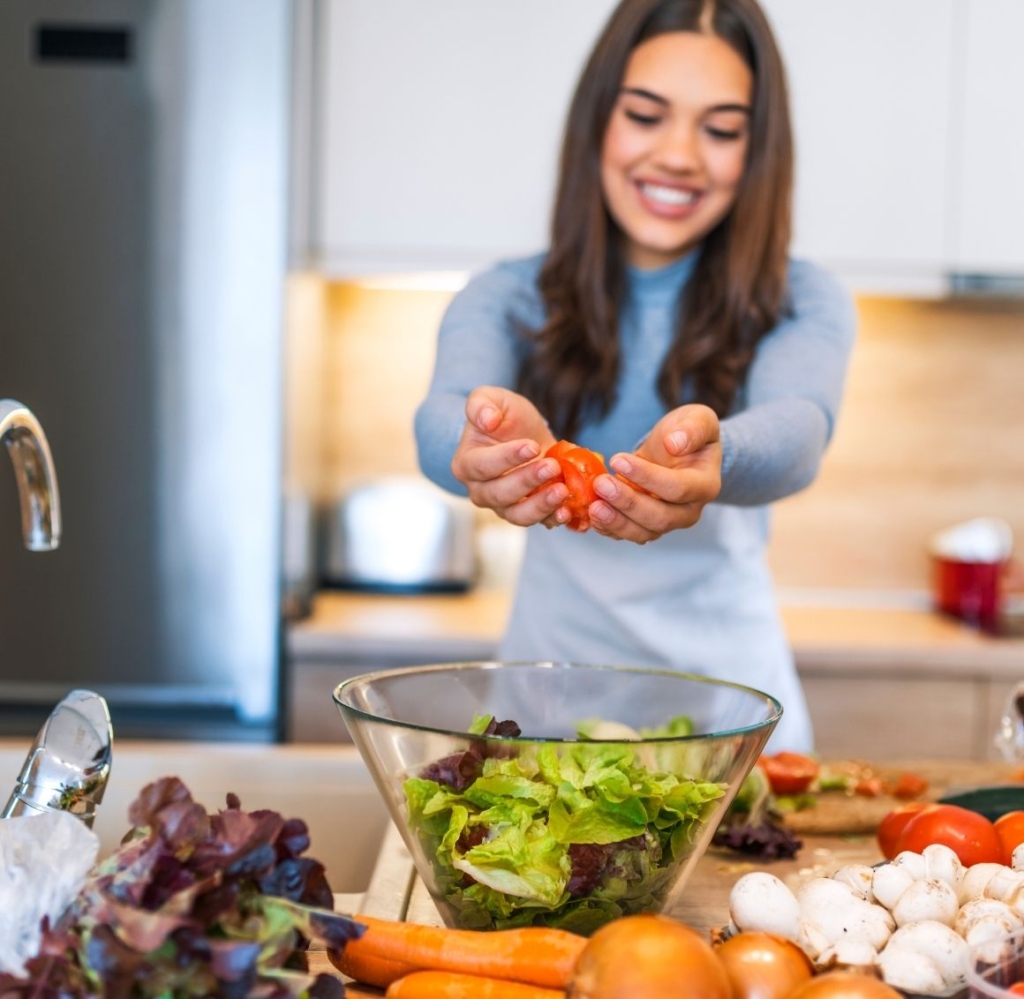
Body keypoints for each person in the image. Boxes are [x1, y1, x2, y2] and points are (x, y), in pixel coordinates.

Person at [413, 0, 856, 752]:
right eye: (647, 115)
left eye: (720, 129)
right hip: (544, 724)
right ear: (598, 124)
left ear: (759, 152)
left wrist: (718, 454)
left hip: (733, 732)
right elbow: (439, 420)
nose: (680, 155)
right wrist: (478, 441)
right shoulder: (505, 296)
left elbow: (800, 427)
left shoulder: (801, 298)